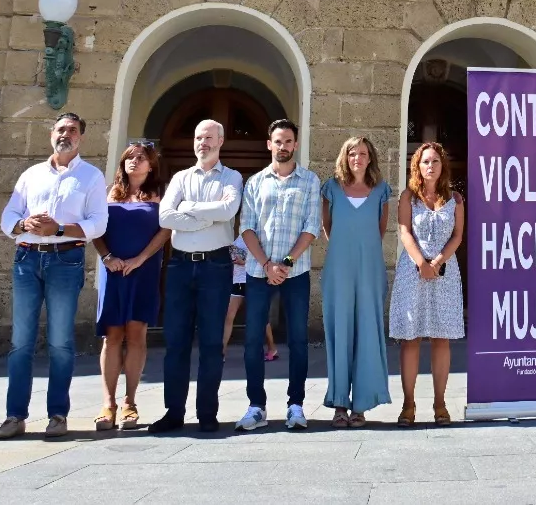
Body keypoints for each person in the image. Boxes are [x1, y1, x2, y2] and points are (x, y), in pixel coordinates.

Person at [0, 113, 109, 440]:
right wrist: (25, 225)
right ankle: (14, 416)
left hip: (66, 260)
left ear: (81, 138)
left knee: (60, 342)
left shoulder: (90, 176)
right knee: (20, 343)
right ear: (51, 134)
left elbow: (98, 223)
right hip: (27, 259)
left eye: (72, 130)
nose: (66, 135)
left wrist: (56, 228)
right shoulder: (31, 174)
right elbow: (8, 217)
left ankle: (58, 414)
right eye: (61, 129)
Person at [152, 119, 244, 433]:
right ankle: (173, 412)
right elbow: (165, 215)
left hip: (215, 267)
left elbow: (228, 211)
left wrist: (189, 211)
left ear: (220, 141)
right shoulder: (179, 177)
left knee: (210, 342)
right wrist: (206, 216)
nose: (201, 143)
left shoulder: (232, 177)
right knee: (175, 341)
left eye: (207, 137)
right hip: (179, 266)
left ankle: (207, 413)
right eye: (197, 137)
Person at [234, 119, 321, 433]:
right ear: (269, 144)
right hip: (259, 272)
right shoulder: (256, 182)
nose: (282, 146)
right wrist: (267, 264)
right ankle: (256, 405)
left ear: (295, 145)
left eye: (288, 141)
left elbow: (312, 226)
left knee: (298, 339)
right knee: (253, 339)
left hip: (295, 272)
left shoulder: (310, 180)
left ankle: (295, 404)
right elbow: (246, 226)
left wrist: (284, 262)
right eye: (277, 141)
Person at [92, 139, 169, 432]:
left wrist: (141, 258)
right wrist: (108, 256)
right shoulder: (108, 193)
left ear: (151, 165)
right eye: (129, 157)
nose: (134, 162)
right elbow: (94, 228)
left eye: (140, 157)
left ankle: (129, 402)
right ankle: (108, 403)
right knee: (112, 335)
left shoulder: (159, 194)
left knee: (136, 332)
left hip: (143, 269)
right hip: (112, 269)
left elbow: (166, 231)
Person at [320, 136, 394, 427]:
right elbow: (328, 227)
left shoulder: (381, 191)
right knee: (339, 333)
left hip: (370, 270)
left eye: (363, 153)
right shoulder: (332, 189)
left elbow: (379, 230)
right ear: (345, 157)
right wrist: (344, 249)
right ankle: (339, 403)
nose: (358, 158)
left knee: (367, 331)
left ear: (370, 158)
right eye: (352, 153)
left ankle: (361, 405)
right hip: (338, 269)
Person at [390, 142, 465, 425]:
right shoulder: (408, 197)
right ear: (417, 167)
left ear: (442, 165)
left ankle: (440, 403)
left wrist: (438, 262)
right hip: (413, 270)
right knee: (411, 338)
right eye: (425, 162)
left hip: (444, 273)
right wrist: (421, 262)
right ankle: (408, 404)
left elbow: (457, 235)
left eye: (435, 161)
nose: (430, 166)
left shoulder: (455, 199)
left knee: (441, 338)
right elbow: (404, 231)